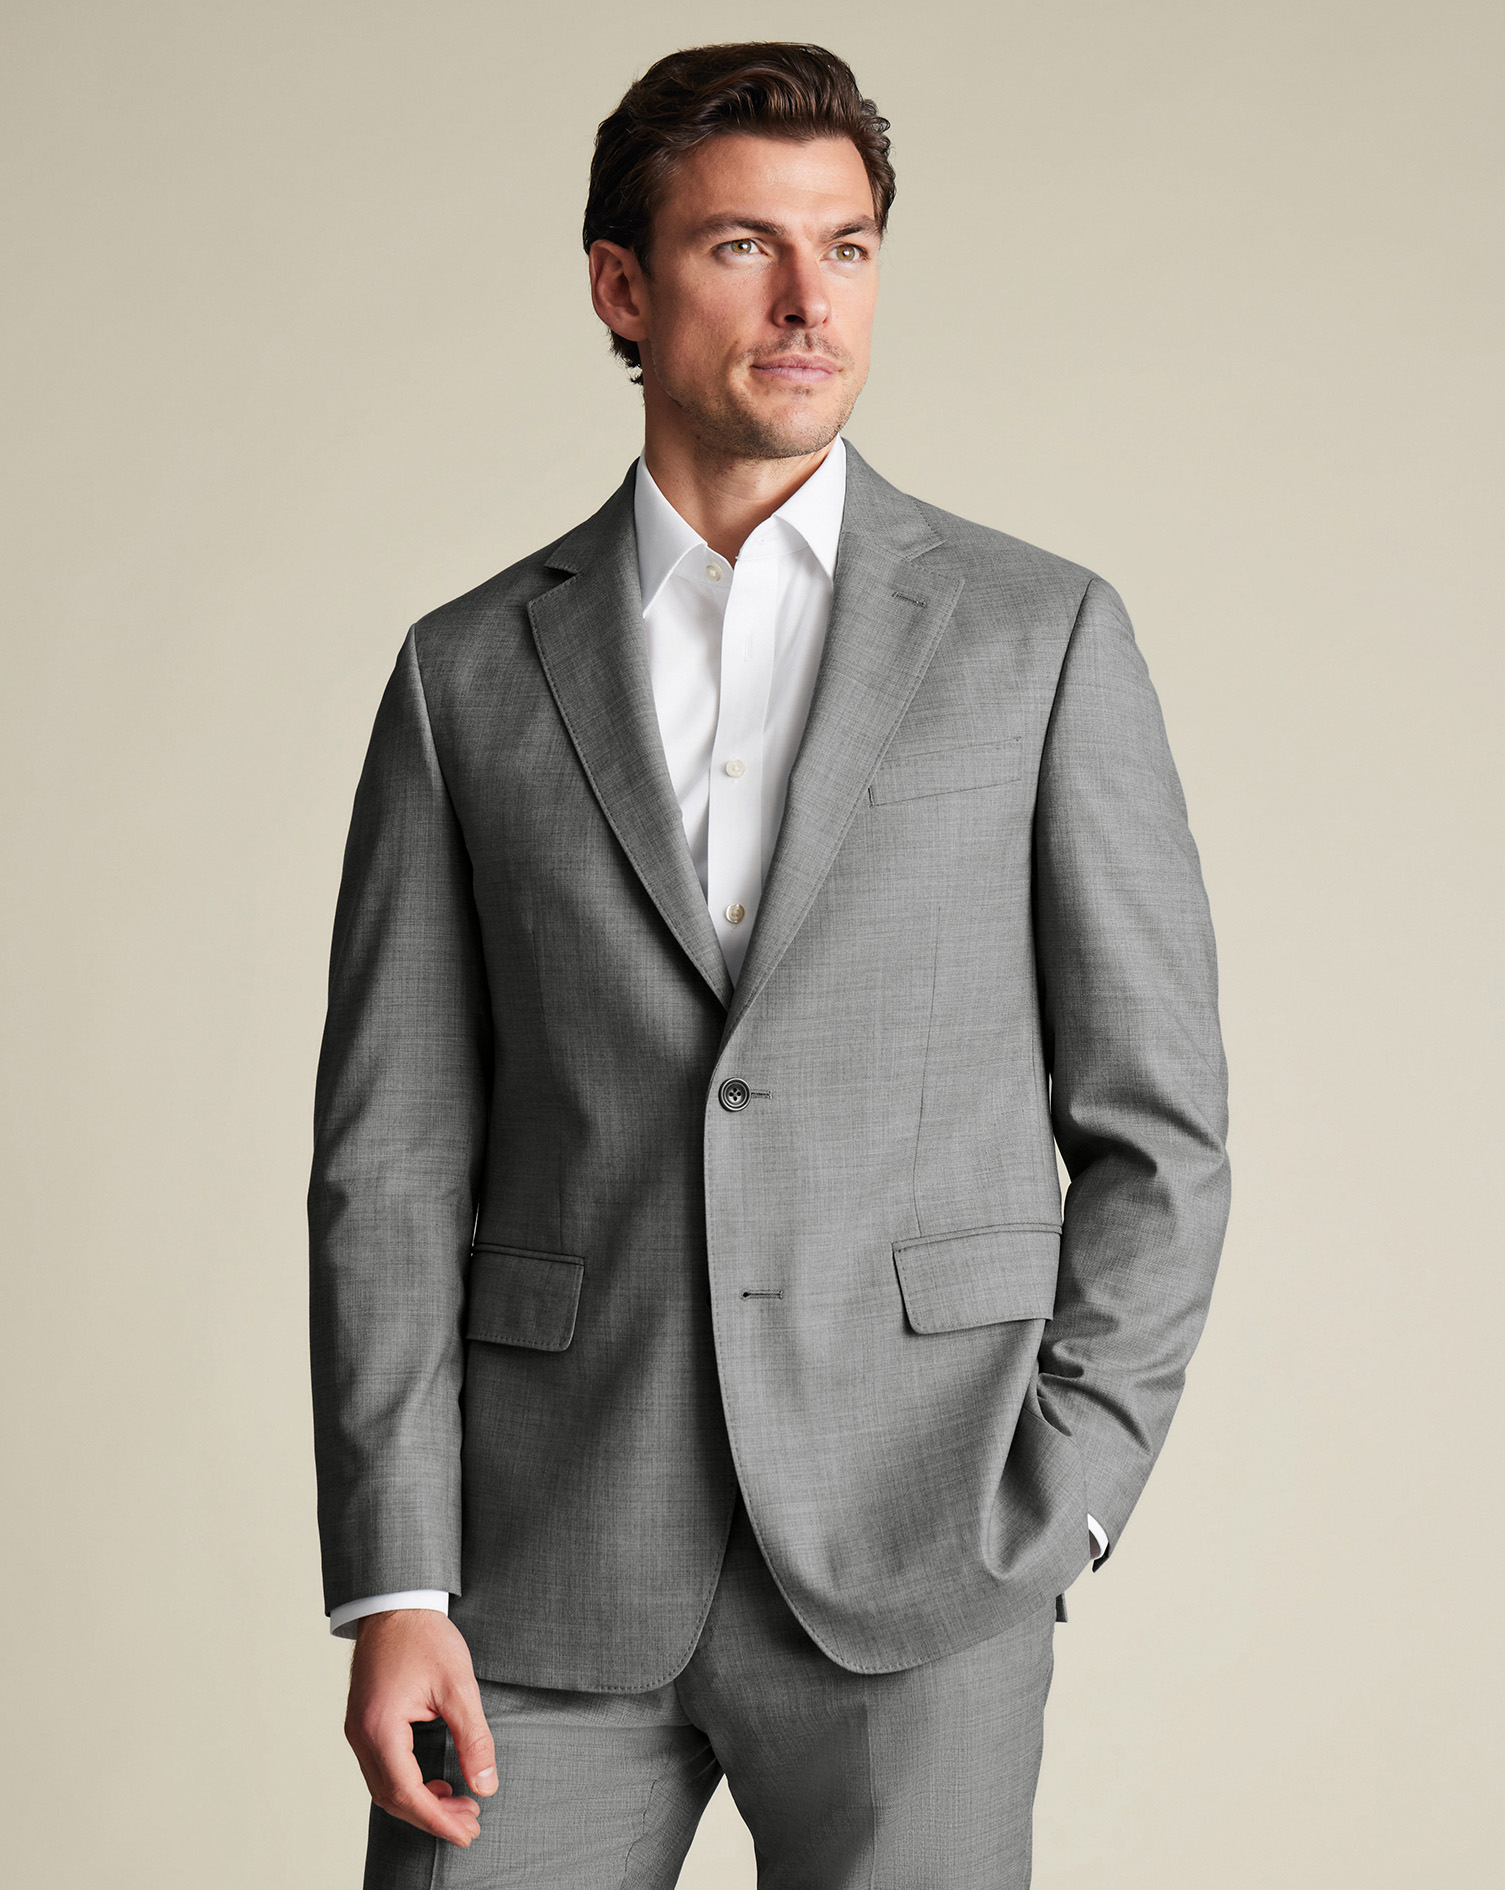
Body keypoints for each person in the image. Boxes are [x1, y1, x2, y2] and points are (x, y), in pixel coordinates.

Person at [309, 40, 1230, 1890]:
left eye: (849, 246)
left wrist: (1067, 1498)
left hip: (923, 1550)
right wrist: (397, 1580)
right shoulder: (464, 672)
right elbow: (390, 1161)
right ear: (621, 287)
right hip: (543, 1560)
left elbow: (1159, 1127)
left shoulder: (1036, 636)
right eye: (744, 245)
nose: (811, 300)